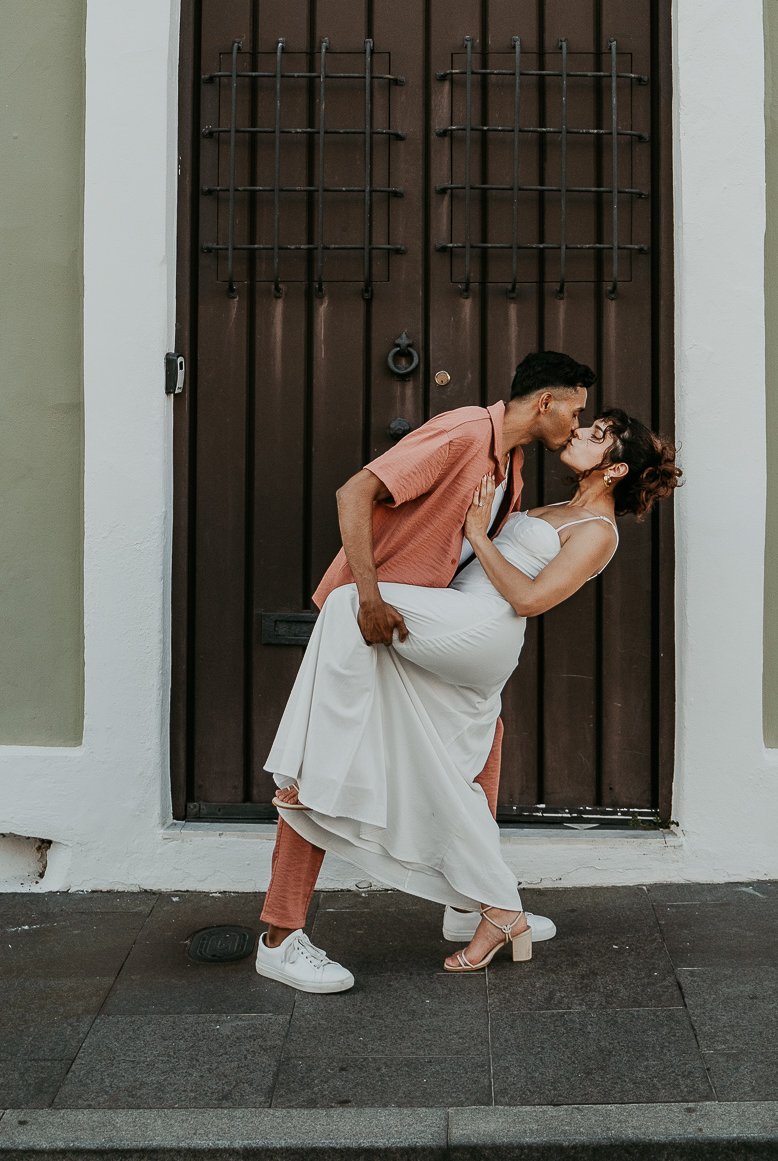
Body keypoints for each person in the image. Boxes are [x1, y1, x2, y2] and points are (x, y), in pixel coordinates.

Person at [256, 387, 681, 991]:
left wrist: (480, 536)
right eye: (586, 422)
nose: (582, 431)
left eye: (599, 433)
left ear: (615, 469)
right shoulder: (536, 498)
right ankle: (478, 902)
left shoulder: (598, 530)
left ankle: (312, 779)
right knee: (472, 752)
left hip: (484, 632)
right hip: (457, 625)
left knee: (352, 604)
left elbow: (531, 599)